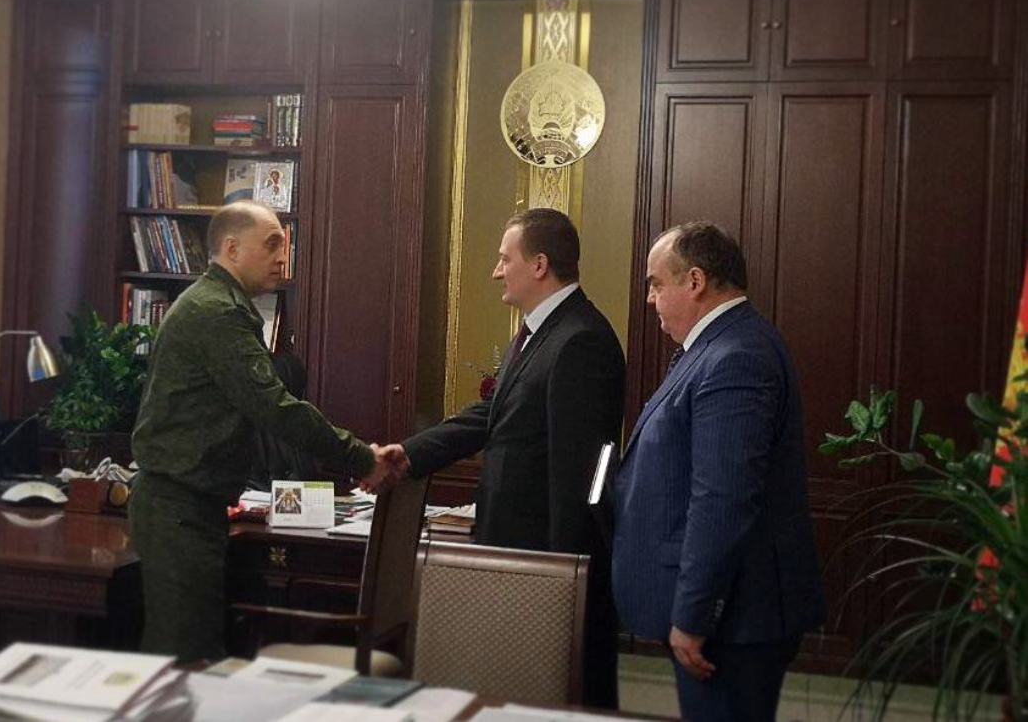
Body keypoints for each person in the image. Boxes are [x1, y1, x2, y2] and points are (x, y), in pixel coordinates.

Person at [130, 200, 398, 664]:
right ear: (232, 249)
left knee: (193, 651)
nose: (282, 258)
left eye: (284, 246)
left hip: (189, 504)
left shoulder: (218, 304)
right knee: (184, 658)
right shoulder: (216, 312)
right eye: (272, 245)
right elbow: (274, 408)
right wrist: (360, 457)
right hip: (179, 508)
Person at [381, 208, 625, 708]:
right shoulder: (542, 331)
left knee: (554, 702)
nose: (496, 271)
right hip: (517, 553)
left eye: (504, 259)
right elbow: (491, 415)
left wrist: (564, 582)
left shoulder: (580, 340)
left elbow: (582, 478)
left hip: (543, 564)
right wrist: (408, 453)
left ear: (539, 265)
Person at [613, 221, 825, 721]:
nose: (649, 299)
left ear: (695, 281)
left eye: (656, 283)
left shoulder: (736, 356)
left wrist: (693, 614)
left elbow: (723, 499)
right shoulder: (718, 346)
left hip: (733, 620)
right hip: (729, 615)